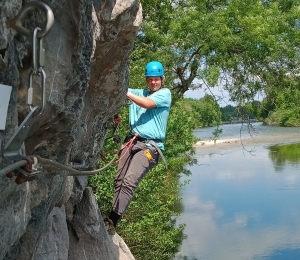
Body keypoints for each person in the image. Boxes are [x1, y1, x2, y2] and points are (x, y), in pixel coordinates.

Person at [105, 61, 172, 235]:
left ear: (162, 79)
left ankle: (113, 220)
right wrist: (116, 112)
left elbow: (146, 103)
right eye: (150, 79)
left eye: (156, 79)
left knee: (129, 181)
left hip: (150, 146)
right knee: (119, 180)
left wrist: (125, 93)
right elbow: (118, 93)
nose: (153, 83)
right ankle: (110, 218)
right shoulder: (139, 92)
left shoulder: (164, 94)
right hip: (132, 141)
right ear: (146, 80)